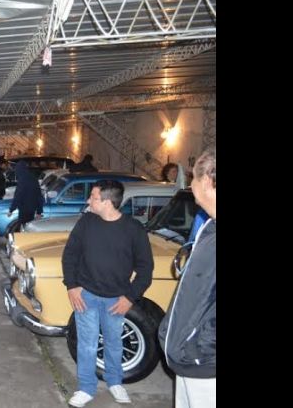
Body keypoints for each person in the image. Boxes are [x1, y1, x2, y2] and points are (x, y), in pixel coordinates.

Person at [61, 179, 154, 407]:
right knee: (87, 344)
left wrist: (130, 297)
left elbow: (145, 268)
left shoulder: (133, 229)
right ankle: (86, 387)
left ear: (107, 202)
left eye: (93, 197)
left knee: (113, 342)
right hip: (86, 295)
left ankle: (115, 382)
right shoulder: (86, 223)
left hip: (116, 299)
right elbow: (70, 255)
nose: (88, 201)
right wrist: (72, 286)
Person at [159, 146, 216, 408]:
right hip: (189, 359)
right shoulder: (210, 226)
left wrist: (198, 348)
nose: (189, 183)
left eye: (192, 177)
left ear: (206, 182)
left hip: (205, 367)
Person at [8, 161, 43, 227]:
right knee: (29, 227)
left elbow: (18, 196)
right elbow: (39, 196)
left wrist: (11, 210)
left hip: (23, 209)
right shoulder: (34, 178)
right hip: (32, 209)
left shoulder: (22, 180)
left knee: (22, 227)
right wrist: (39, 211)